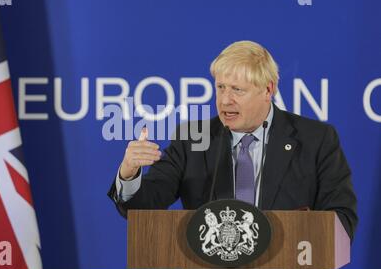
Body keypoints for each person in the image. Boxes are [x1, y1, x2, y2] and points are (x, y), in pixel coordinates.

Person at [107, 40, 358, 251]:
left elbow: (342, 220)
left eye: (237, 90)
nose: (225, 100)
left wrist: (293, 240)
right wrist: (129, 173)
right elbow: (143, 208)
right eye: (221, 88)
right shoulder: (194, 137)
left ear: (267, 89)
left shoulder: (316, 139)